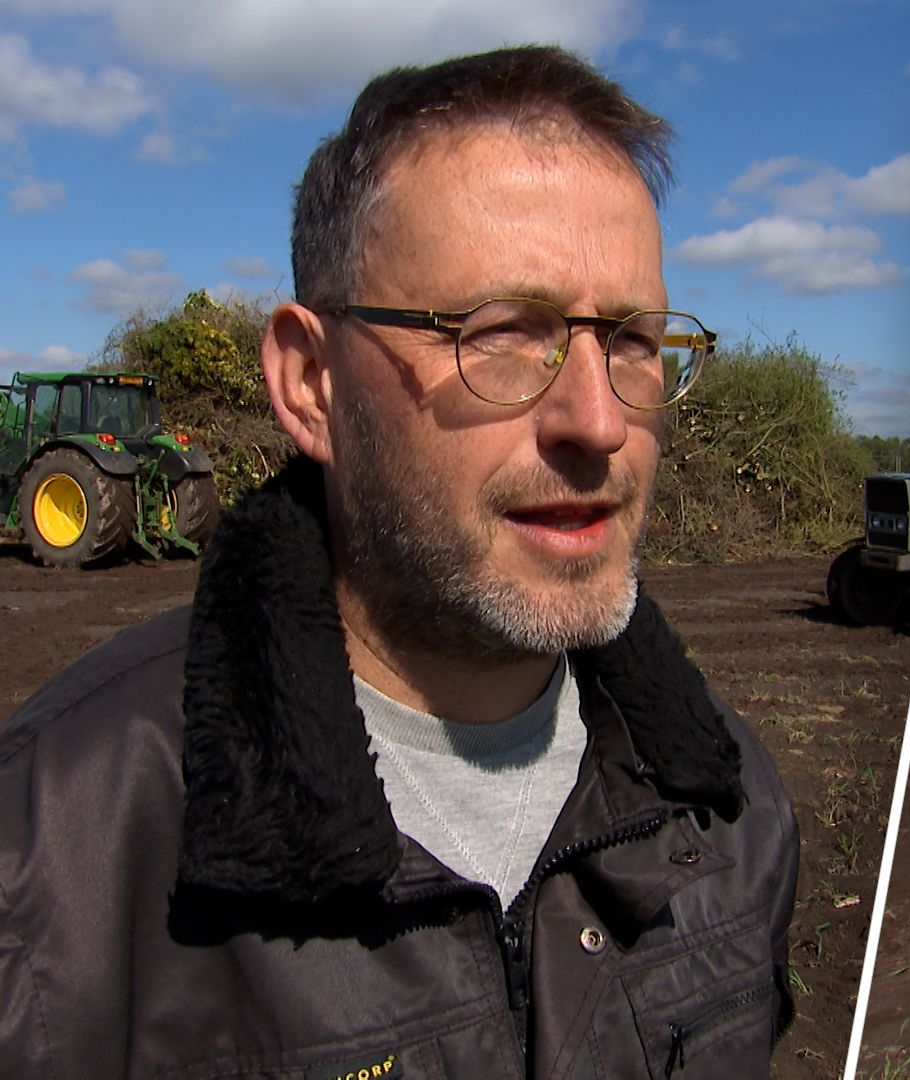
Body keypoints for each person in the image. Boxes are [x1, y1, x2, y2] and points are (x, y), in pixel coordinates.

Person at [0, 46, 797, 1079]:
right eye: (506, 332)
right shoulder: (49, 863)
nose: (598, 422)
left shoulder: (732, 812)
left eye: (634, 341)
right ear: (312, 385)